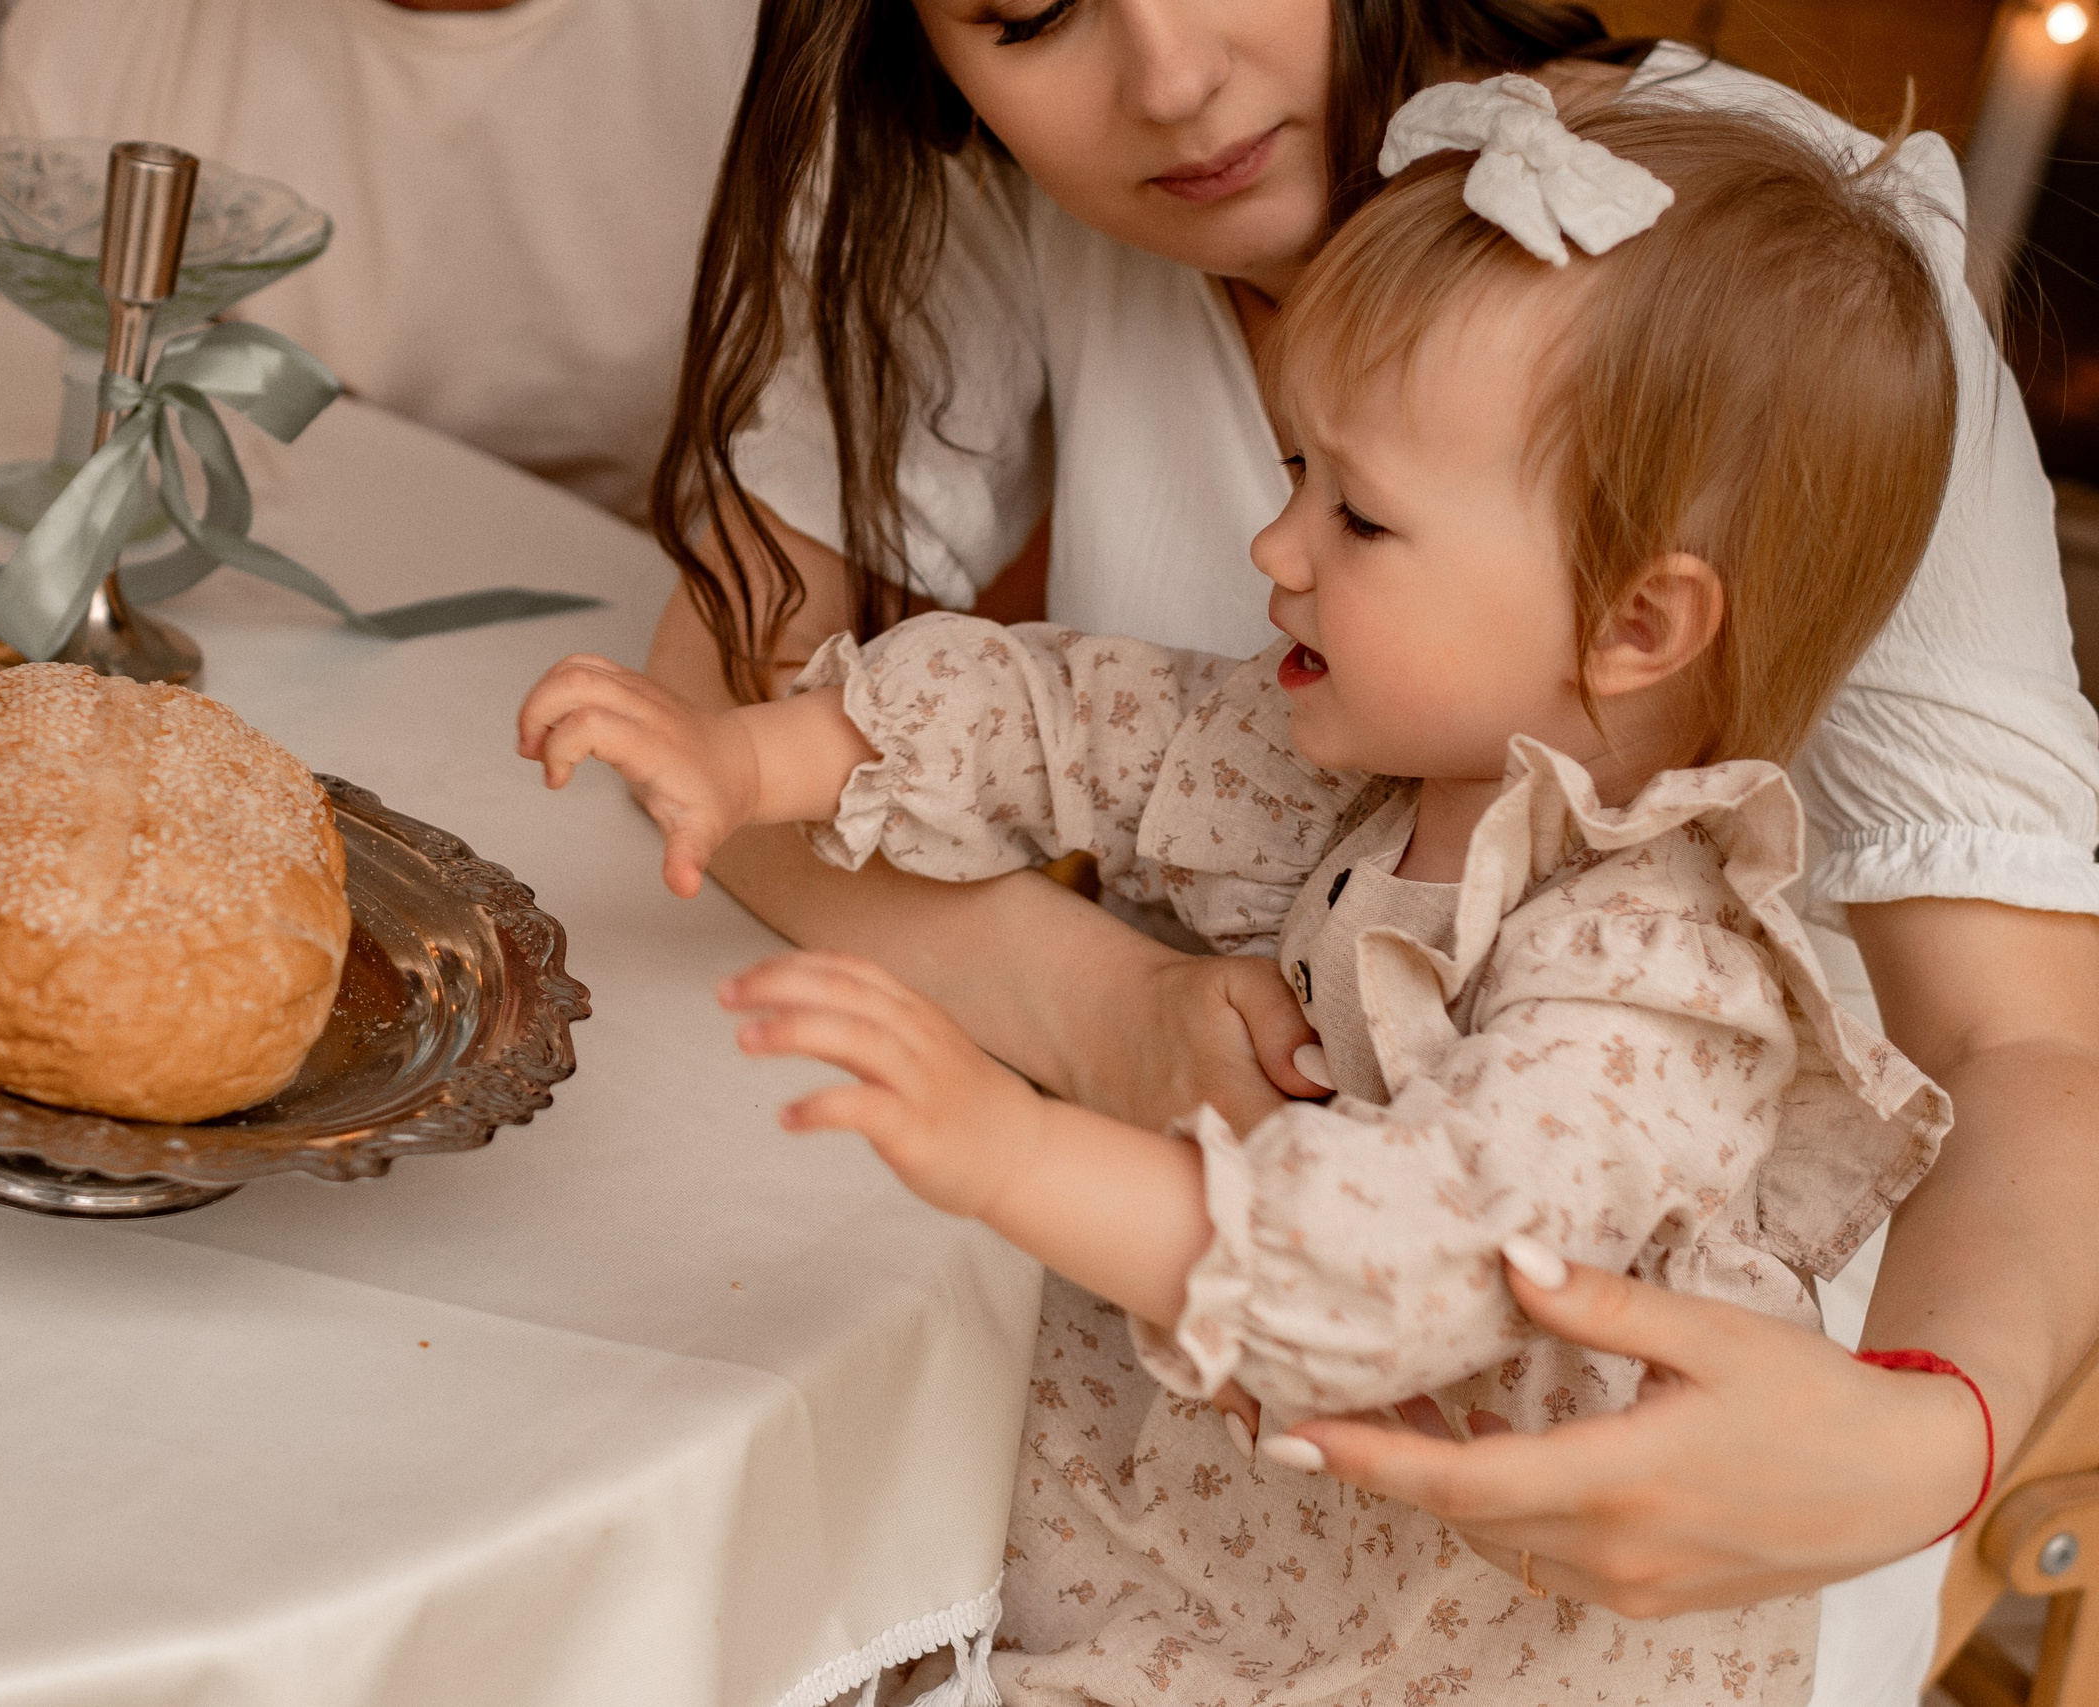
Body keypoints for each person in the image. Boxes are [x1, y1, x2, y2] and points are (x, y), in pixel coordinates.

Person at [637, 1, 2099, 1700]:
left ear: (1643, 618)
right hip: (1183, 1494)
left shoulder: (1653, 957)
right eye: (1027, 11)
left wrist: (1930, 1434)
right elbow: (1048, 714)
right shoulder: (1352, 755)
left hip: (1554, 1591)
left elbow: (2026, 1041)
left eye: (1357, 511)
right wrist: (1092, 1008)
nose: (1171, 82)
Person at [0, 0, 758, 521]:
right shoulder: (93, 33)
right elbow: (12, 424)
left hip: (624, 636)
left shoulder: (768, 53)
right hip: (196, 597)